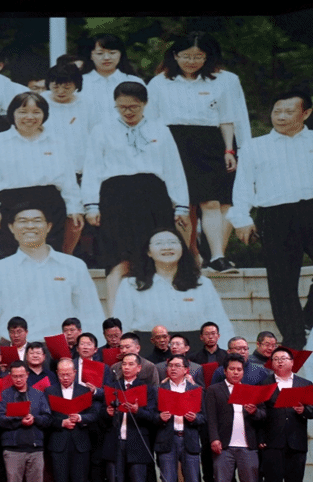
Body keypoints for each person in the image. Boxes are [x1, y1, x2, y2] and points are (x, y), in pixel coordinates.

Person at [81, 82, 190, 312]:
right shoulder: (101, 130)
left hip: (153, 197)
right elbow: (92, 168)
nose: (128, 112)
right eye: (122, 107)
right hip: (115, 198)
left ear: (145, 104)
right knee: (118, 259)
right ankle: (113, 317)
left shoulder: (160, 130)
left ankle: (158, 311)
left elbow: (173, 168)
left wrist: (181, 204)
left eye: (133, 107)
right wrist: (91, 205)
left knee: (152, 256)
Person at [148, 32, 250, 272]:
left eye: (198, 57)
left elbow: (230, 118)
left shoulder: (224, 80)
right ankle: (189, 257)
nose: (191, 62)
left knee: (213, 202)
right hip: (173, 142)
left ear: (207, 57)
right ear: (175, 56)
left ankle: (218, 257)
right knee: (183, 204)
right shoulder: (159, 82)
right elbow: (150, 121)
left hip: (211, 142)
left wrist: (233, 149)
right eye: (186, 56)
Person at [228, 91, 313, 349]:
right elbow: (243, 186)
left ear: (306, 113)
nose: (282, 117)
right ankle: (294, 339)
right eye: (277, 111)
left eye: (289, 111)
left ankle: (307, 320)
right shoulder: (255, 146)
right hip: (275, 215)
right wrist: (241, 218)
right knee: (281, 281)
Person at [0, 201, 105, 343]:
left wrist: (95, 350)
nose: (30, 226)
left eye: (37, 221)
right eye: (22, 221)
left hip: (62, 348)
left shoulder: (74, 266)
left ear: (49, 227)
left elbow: (90, 314)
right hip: (13, 348)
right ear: (11, 227)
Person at [0, 92, 82, 255]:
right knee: (13, 256)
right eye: (23, 112)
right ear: (12, 114)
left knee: (48, 254)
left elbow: (68, 180)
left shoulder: (57, 141)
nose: (29, 117)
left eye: (36, 112)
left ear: (45, 114)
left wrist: (74, 209)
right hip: (10, 204)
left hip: (50, 204)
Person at [113, 229, 235, 340]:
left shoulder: (202, 283)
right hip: (147, 351)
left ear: (182, 249)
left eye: (172, 242)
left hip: (194, 350)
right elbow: (122, 326)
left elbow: (220, 323)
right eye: (159, 243)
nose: (167, 247)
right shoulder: (130, 285)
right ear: (148, 252)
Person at [205, 353, 265, 482]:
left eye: (239, 369)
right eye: (232, 369)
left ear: (243, 372)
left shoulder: (251, 390)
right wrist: (214, 438)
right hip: (224, 446)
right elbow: (211, 418)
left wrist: (254, 412)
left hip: (248, 445)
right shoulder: (214, 390)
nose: (236, 372)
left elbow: (263, 415)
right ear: (225, 371)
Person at [0, 360, 52, 482]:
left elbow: (48, 418)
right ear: (10, 377)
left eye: (21, 376)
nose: (18, 379)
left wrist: (35, 419)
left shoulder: (38, 395)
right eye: (15, 376)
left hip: (35, 447)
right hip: (12, 448)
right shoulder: (4, 395)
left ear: (27, 375)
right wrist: (19, 420)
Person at [103, 353, 158, 482]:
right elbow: (100, 415)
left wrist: (137, 411)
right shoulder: (113, 386)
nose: (126, 367)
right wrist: (107, 413)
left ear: (139, 368)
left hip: (137, 442)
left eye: (130, 364)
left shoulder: (147, 389)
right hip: (115, 441)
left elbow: (154, 417)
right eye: (124, 364)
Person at [261, 347, 313, 482]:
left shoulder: (304, 384)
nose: (280, 361)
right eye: (275, 359)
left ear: (292, 362)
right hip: (272, 441)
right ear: (272, 363)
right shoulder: (264, 383)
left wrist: (304, 410)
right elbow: (260, 414)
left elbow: (312, 410)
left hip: (296, 441)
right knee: (272, 481)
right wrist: (261, 438)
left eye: (283, 358)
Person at [154, 355, 205, 482]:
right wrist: (159, 418)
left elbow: (204, 417)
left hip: (188, 438)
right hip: (167, 439)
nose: (173, 369)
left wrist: (195, 418)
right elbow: (150, 415)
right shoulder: (159, 389)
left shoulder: (195, 389)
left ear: (186, 370)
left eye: (177, 366)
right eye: (170, 366)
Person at [45, 358, 97, 482]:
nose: (65, 377)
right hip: (58, 443)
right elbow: (45, 418)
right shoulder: (50, 391)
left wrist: (80, 418)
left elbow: (94, 415)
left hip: (80, 443)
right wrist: (62, 423)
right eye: (62, 374)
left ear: (75, 373)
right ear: (57, 374)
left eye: (68, 374)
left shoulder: (84, 391)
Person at [79, 34, 145, 128]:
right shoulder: (79, 82)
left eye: (112, 53)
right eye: (100, 53)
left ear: (120, 54)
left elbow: (146, 114)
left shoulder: (134, 81)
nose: (106, 57)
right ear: (91, 55)